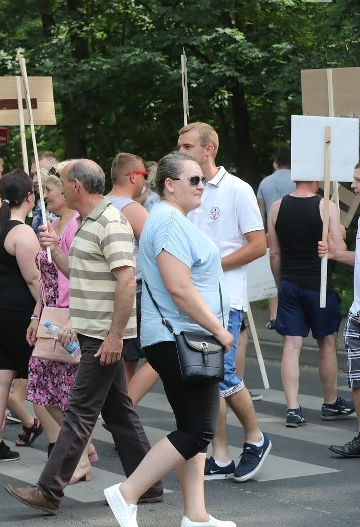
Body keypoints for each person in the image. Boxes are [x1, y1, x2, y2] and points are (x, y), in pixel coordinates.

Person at [5, 159, 161, 514]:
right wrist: (56, 250)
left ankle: (48, 491)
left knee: (78, 414)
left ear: (76, 186)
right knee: (119, 413)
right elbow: (78, 272)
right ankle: (148, 484)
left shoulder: (110, 222)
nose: (55, 189)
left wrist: (115, 336)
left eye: (60, 182)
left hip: (101, 336)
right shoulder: (89, 223)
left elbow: (126, 280)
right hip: (92, 333)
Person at [102, 151, 236, 527]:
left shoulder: (170, 219)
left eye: (203, 179)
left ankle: (195, 515)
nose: (201, 186)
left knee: (191, 426)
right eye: (194, 180)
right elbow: (179, 287)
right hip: (182, 335)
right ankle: (127, 492)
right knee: (199, 429)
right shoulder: (168, 222)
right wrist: (220, 328)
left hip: (178, 335)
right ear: (169, 185)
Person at [178, 122, 271, 483]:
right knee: (205, 377)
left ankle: (256, 438)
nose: (181, 152)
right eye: (179, 145)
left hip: (225, 298)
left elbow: (258, 245)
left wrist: (209, 264)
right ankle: (220, 455)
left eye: (187, 146)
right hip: (193, 300)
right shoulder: (186, 190)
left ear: (208, 150)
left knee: (222, 373)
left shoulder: (237, 189)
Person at [268, 179, 355, 427]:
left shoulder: (276, 207)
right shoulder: (326, 206)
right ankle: (330, 402)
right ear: (318, 179)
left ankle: (293, 408)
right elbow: (337, 249)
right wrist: (341, 236)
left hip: (289, 283)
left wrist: (280, 283)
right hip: (319, 285)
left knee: (291, 345)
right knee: (327, 343)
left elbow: (274, 253)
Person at [29, 163, 95, 481]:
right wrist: (35, 314)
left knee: (61, 390)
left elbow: (76, 275)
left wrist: (74, 317)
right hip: (50, 315)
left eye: (49, 191)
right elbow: (46, 277)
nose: (45, 196)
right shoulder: (52, 223)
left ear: (68, 191)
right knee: (43, 387)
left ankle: (80, 456)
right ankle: (84, 450)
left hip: (68, 315)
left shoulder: (76, 226)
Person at [0, 170, 42, 464]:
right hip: (17, 312)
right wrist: (46, 307)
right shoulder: (22, 232)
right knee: (38, 377)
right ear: (30, 197)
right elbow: (33, 278)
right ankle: (58, 443)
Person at [319, 162, 360, 458]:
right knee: (357, 379)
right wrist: (336, 253)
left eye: (358, 181)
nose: (354, 186)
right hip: (357, 313)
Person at [107, 153, 152, 384]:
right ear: (133, 176)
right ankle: (125, 409)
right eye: (144, 175)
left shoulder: (102, 203)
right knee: (131, 359)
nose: (145, 181)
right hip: (132, 291)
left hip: (105, 290)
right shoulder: (131, 209)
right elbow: (156, 248)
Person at [257, 147, 294, 329]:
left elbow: (260, 213)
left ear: (276, 162)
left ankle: (274, 315)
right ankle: (294, 312)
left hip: (271, 233)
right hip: (296, 233)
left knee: (273, 272)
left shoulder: (265, 183)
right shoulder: (298, 180)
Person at [30, 151, 59, 235]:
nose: (34, 180)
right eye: (33, 175)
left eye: (39, 174)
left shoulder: (70, 206)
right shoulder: (40, 204)